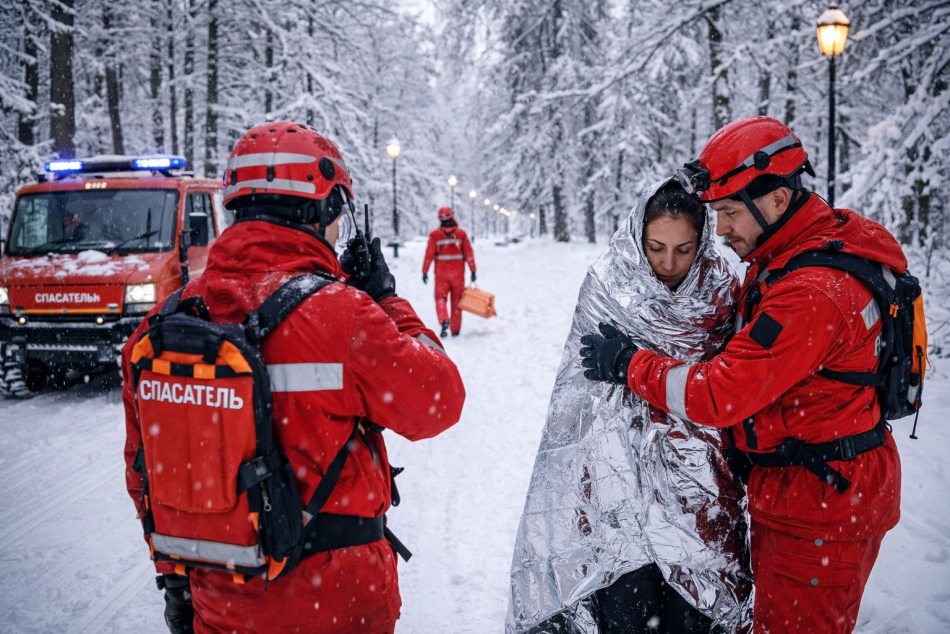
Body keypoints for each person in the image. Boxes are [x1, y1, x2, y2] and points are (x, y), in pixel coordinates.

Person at [121, 121, 465, 634]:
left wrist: (174, 579)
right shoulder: (343, 316)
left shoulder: (162, 325)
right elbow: (439, 399)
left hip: (220, 601)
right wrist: (387, 301)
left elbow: (147, 471)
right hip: (339, 602)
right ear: (320, 210)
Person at [580, 116, 904, 634]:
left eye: (730, 212)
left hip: (820, 504)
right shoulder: (794, 253)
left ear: (777, 199)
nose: (722, 228)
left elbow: (721, 394)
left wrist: (628, 363)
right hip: (812, 487)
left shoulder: (811, 292)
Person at [507, 179, 751, 634]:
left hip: (699, 482)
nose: (668, 263)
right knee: (625, 608)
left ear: (702, 243)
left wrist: (636, 367)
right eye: (656, 248)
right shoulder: (608, 283)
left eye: (683, 249)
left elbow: (727, 385)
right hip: (615, 475)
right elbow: (579, 392)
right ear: (639, 236)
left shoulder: (721, 290)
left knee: (695, 610)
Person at [422, 206, 477, 338]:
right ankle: (455, 330)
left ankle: (444, 319)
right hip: (458, 273)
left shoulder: (435, 235)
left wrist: (425, 271)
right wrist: (473, 270)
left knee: (440, 298)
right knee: (457, 301)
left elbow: (429, 254)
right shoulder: (461, 234)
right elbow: (468, 253)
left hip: (441, 273)